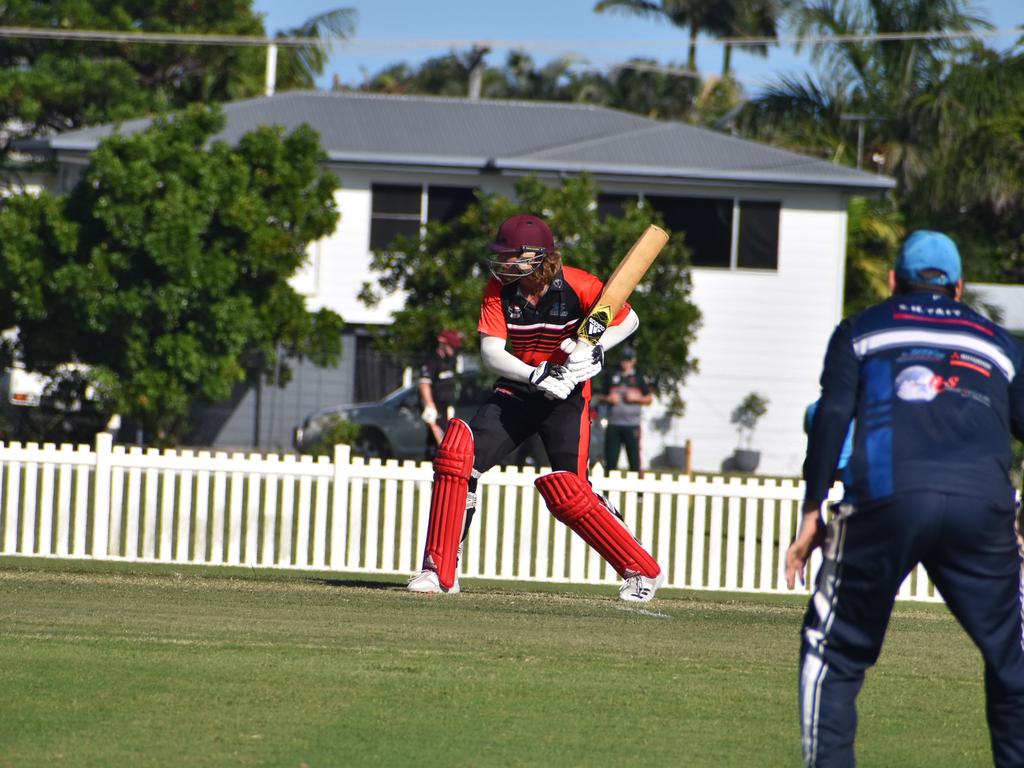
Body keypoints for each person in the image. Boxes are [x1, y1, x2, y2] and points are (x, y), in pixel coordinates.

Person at [786, 230, 1024, 767]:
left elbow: (830, 417)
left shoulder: (862, 329)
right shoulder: (1001, 344)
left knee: (835, 651)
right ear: (959, 288)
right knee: (1014, 661)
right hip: (983, 506)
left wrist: (811, 511)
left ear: (893, 281)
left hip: (885, 502)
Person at [407, 213, 664, 602]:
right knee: (459, 457)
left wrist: (593, 349)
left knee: (572, 491)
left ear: (534, 256)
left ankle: (640, 570)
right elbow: (492, 353)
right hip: (519, 388)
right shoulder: (499, 290)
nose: (502, 264)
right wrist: (534, 376)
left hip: (569, 396)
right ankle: (438, 570)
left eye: (510, 256)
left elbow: (627, 320)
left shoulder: (578, 284)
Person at [597, 347, 653, 472]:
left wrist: (636, 399)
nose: (625, 363)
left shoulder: (638, 378)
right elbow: (599, 397)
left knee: (634, 460)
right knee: (610, 460)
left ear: (633, 361)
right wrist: (608, 399)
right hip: (614, 424)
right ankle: (608, 490)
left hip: (632, 425)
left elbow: (649, 399)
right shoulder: (612, 376)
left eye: (628, 360)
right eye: (623, 360)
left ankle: (638, 491)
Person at [418, 329, 462, 457]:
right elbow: (424, 384)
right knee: (437, 443)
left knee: (446, 439)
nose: (453, 350)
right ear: (443, 344)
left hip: (445, 406)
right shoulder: (432, 361)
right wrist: (429, 405)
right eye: (451, 347)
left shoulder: (449, 362)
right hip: (435, 407)